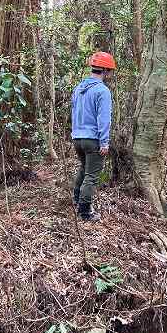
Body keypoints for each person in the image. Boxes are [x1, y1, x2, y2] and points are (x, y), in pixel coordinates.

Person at [71, 51, 116, 221]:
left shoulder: (78, 89)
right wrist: (104, 142)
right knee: (92, 175)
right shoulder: (102, 91)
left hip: (78, 138)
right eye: (110, 71)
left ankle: (76, 200)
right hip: (93, 140)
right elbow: (104, 119)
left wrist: (75, 134)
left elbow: (74, 114)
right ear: (105, 70)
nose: (111, 74)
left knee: (84, 169)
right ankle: (85, 211)